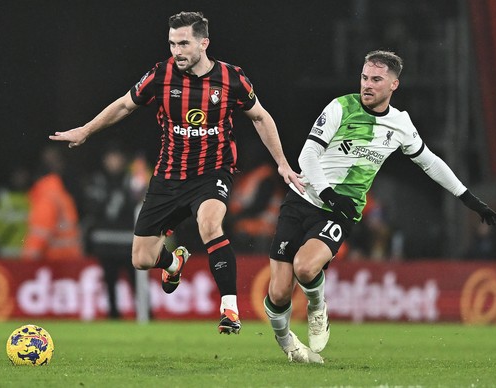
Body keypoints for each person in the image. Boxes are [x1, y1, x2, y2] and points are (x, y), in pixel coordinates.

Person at [49, 11, 303, 334]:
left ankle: (229, 309)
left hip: (212, 173)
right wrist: (86, 130)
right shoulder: (161, 75)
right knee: (141, 258)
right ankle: (173, 262)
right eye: (172, 43)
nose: (176, 51)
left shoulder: (231, 79)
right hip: (168, 177)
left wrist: (281, 161)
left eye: (183, 43)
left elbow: (260, 118)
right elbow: (125, 105)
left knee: (210, 224)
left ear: (204, 43)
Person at [263, 50, 496, 363]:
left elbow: (430, 162)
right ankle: (289, 345)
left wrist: (470, 199)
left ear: (393, 85)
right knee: (279, 293)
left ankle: (318, 307)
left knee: (306, 267)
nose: (367, 85)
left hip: (340, 210)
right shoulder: (341, 107)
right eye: (364, 77)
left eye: (376, 79)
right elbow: (307, 156)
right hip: (303, 198)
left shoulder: (400, 124)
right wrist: (329, 192)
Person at [82, 145, 140, 319]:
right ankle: (113, 315)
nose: (114, 162)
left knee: (138, 283)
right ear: (105, 161)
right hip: (106, 244)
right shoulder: (97, 181)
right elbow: (91, 208)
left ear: (123, 160)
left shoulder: (133, 180)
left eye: (117, 158)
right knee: (110, 283)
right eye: (110, 158)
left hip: (129, 242)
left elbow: (140, 205)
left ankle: (146, 314)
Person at [22, 146, 83, 261]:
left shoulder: (45, 198)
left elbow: (39, 235)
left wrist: (26, 265)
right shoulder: (62, 194)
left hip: (54, 262)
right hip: (70, 260)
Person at [0, 166, 31, 258]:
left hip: (28, 253)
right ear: (12, 176)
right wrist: (0, 242)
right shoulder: (3, 198)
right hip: (7, 253)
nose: (21, 178)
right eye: (18, 175)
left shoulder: (31, 197)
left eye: (23, 175)